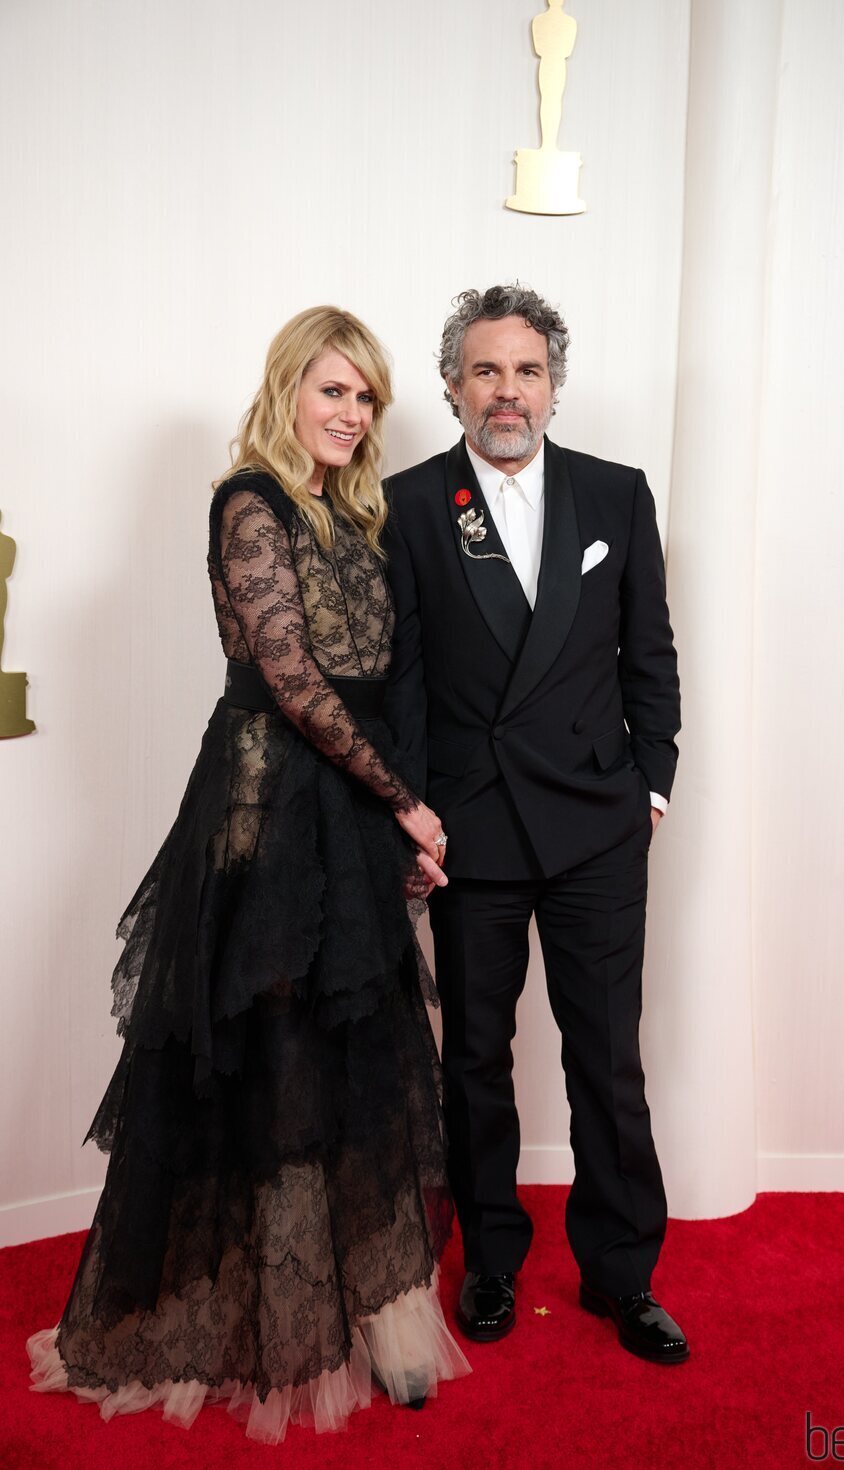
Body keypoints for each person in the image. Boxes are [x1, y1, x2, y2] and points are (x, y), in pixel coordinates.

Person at [27, 306, 470, 1443]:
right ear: (287, 390)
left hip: (351, 805)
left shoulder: (348, 512)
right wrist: (407, 802)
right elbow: (289, 678)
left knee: (357, 1057)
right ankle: (274, 1326)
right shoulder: (249, 502)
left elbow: (375, 682)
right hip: (270, 808)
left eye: (365, 396)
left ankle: (374, 1319)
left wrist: (394, 821)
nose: (351, 413)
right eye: (332, 391)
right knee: (274, 1061)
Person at [382, 284, 689, 1363]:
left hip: (599, 826)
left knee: (606, 1060)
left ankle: (621, 1274)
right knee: (474, 1059)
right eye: (484, 370)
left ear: (552, 386)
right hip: (473, 829)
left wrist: (649, 788)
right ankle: (495, 1264)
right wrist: (412, 827)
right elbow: (402, 684)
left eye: (525, 371)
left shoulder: (614, 495)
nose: (505, 391)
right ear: (452, 385)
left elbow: (648, 658)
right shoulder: (413, 505)